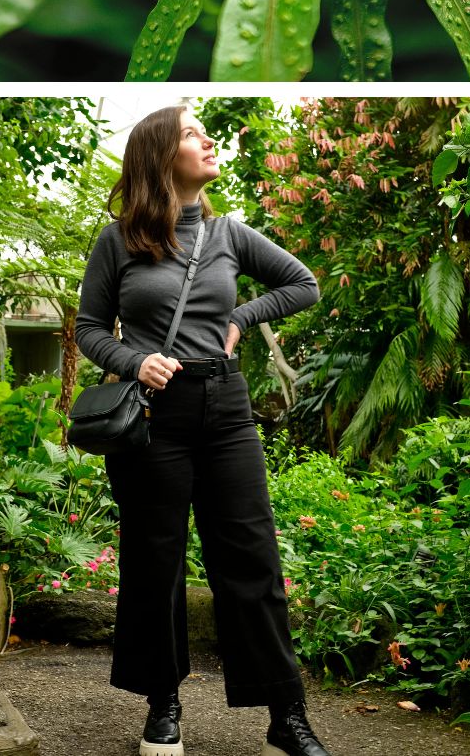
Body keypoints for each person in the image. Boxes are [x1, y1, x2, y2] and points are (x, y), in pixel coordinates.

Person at [75, 105, 331, 756]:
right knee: (154, 562)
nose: (207, 139)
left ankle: (287, 714)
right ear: (161, 156)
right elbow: (89, 329)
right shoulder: (119, 240)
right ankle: (164, 704)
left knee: (253, 559)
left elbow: (303, 284)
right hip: (155, 419)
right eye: (192, 132)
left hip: (225, 409)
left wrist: (244, 314)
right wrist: (135, 359)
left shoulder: (229, 234)